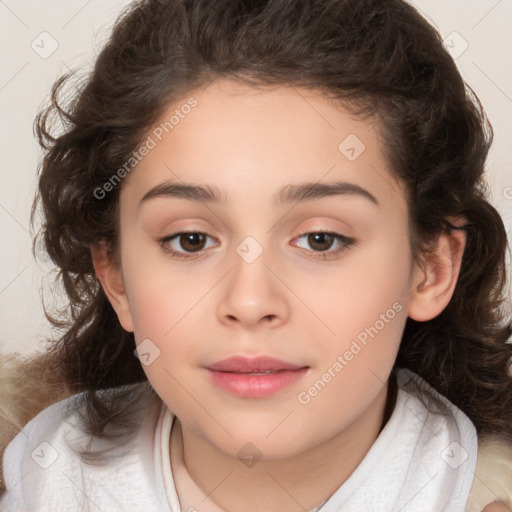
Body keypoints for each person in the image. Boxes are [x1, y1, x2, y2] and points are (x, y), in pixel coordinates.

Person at [0, 0, 511, 510]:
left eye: (321, 240)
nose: (249, 302)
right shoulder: (42, 481)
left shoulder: (480, 494)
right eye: (190, 240)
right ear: (114, 275)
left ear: (431, 270)